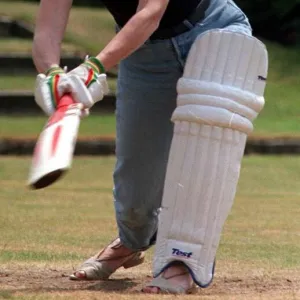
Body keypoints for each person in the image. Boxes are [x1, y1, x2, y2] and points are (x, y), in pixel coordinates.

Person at [32, 0, 268, 294]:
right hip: (144, 53)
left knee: (203, 152)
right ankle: (132, 241)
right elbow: (46, 31)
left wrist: (93, 68)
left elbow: (149, 13)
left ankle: (182, 260)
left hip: (214, 33)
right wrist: (53, 74)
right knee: (136, 185)